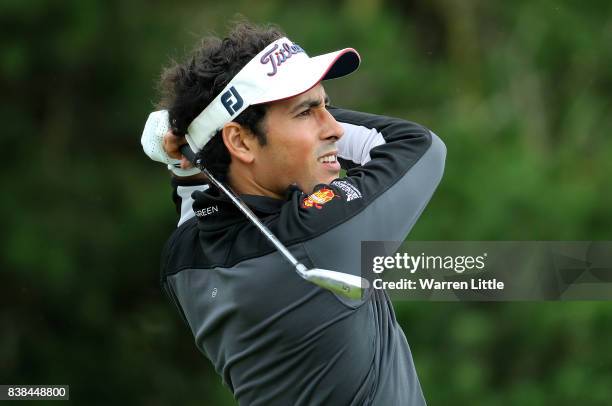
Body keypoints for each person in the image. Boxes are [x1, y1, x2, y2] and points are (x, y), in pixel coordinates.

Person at [142, 21, 446, 405]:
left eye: (327, 106)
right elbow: (419, 146)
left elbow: (197, 192)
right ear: (240, 141)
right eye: (306, 112)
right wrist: (190, 146)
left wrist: (192, 150)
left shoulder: (183, 260)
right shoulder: (318, 238)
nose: (334, 128)